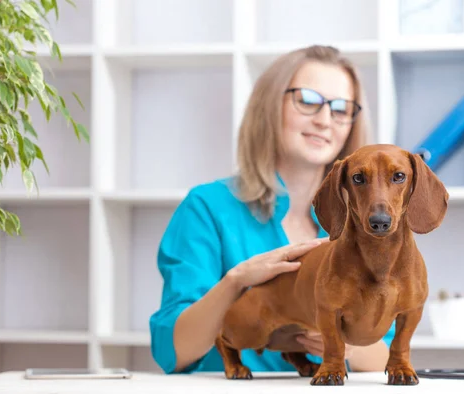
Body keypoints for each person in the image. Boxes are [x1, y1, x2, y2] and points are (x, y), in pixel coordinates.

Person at [149, 44, 396, 375]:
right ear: (269, 105)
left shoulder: (368, 224)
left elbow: (388, 357)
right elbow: (172, 352)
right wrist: (236, 280)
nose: (325, 120)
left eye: (341, 108)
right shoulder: (206, 207)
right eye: (308, 100)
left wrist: (348, 345)